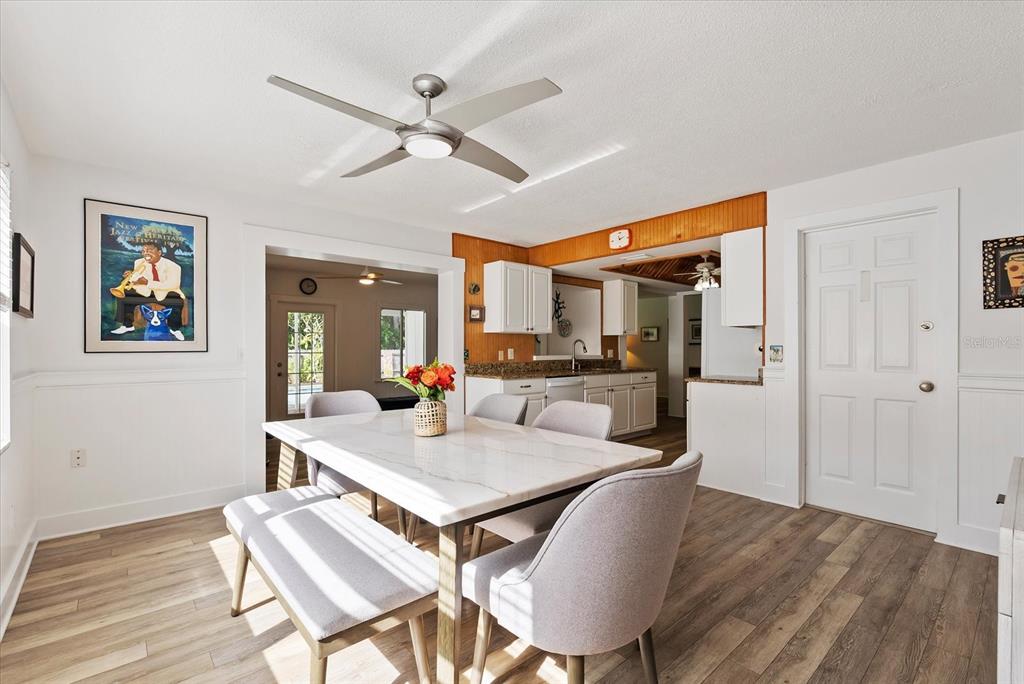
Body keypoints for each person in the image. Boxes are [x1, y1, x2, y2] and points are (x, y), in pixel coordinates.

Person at [110, 242, 187, 340]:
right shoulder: (139, 262)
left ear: (159, 252)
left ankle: (175, 329)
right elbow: (138, 280)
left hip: (167, 292)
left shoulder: (174, 266)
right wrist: (130, 277)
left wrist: (147, 282)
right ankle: (127, 325)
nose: (146, 253)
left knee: (177, 301)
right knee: (124, 295)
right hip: (146, 292)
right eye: (144, 251)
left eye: (150, 250)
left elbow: (172, 284)